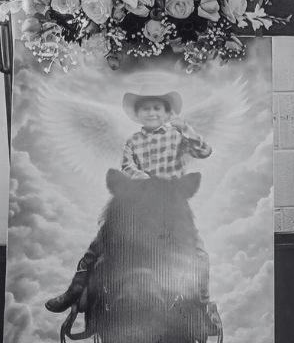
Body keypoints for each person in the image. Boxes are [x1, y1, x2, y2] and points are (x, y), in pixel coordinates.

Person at [45, 88, 212, 313]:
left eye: (157, 108)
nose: (151, 113)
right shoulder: (133, 141)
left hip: (171, 199)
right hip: (137, 199)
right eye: (145, 109)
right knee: (98, 244)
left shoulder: (177, 136)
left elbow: (204, 151)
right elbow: (127, 165)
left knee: (197, 249)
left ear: (167, 113)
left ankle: (201, 302)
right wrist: (140, 178)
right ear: (138, 114)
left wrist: (187, 129)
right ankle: (74, 291)